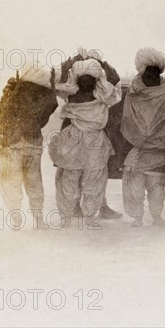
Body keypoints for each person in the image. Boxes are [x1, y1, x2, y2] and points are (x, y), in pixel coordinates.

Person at [49, 52, 121, 225]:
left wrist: (74, 60)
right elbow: (114, 77)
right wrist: (100, 62)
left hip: (74, 140)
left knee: (70, 178)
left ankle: (68, 217)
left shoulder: (71, 93)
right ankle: (90, 217)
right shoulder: (102, 94)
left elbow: (54, 78)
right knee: (93, 179)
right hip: (95, 142)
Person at [0, 62, 58, 229]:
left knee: (10, 181)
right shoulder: (44, 93)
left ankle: (16, 220)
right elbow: (51, 107)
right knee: (34, 181)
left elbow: (4, 112)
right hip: (33, 143)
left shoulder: (18, 90)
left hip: (13, 144)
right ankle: (39, 220)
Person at [121, 48, 165, 227]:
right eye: (148, 71)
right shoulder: (133, 93)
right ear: (142, 71)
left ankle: (156, 217)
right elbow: (128, 123)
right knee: (135, 188)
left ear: (159, 72)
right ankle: (138, 218)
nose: (151, 76)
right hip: (138, 152)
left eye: (155, 71)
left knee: (157, 190)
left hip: (159, 153)